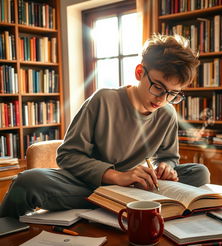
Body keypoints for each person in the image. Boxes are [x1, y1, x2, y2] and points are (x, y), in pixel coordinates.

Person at [0, 34, 210, 218]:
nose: (163, 99)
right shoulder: (103, 100)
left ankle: (115, 204)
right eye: (158, 87)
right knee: (27, 182)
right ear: (139, 72)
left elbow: (169, 157)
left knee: (199, 172)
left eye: (173, 94)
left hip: (135, 186)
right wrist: (117, 177)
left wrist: (167, 168)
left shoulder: (167, 113)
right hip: (89, 184)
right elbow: (67, 156)